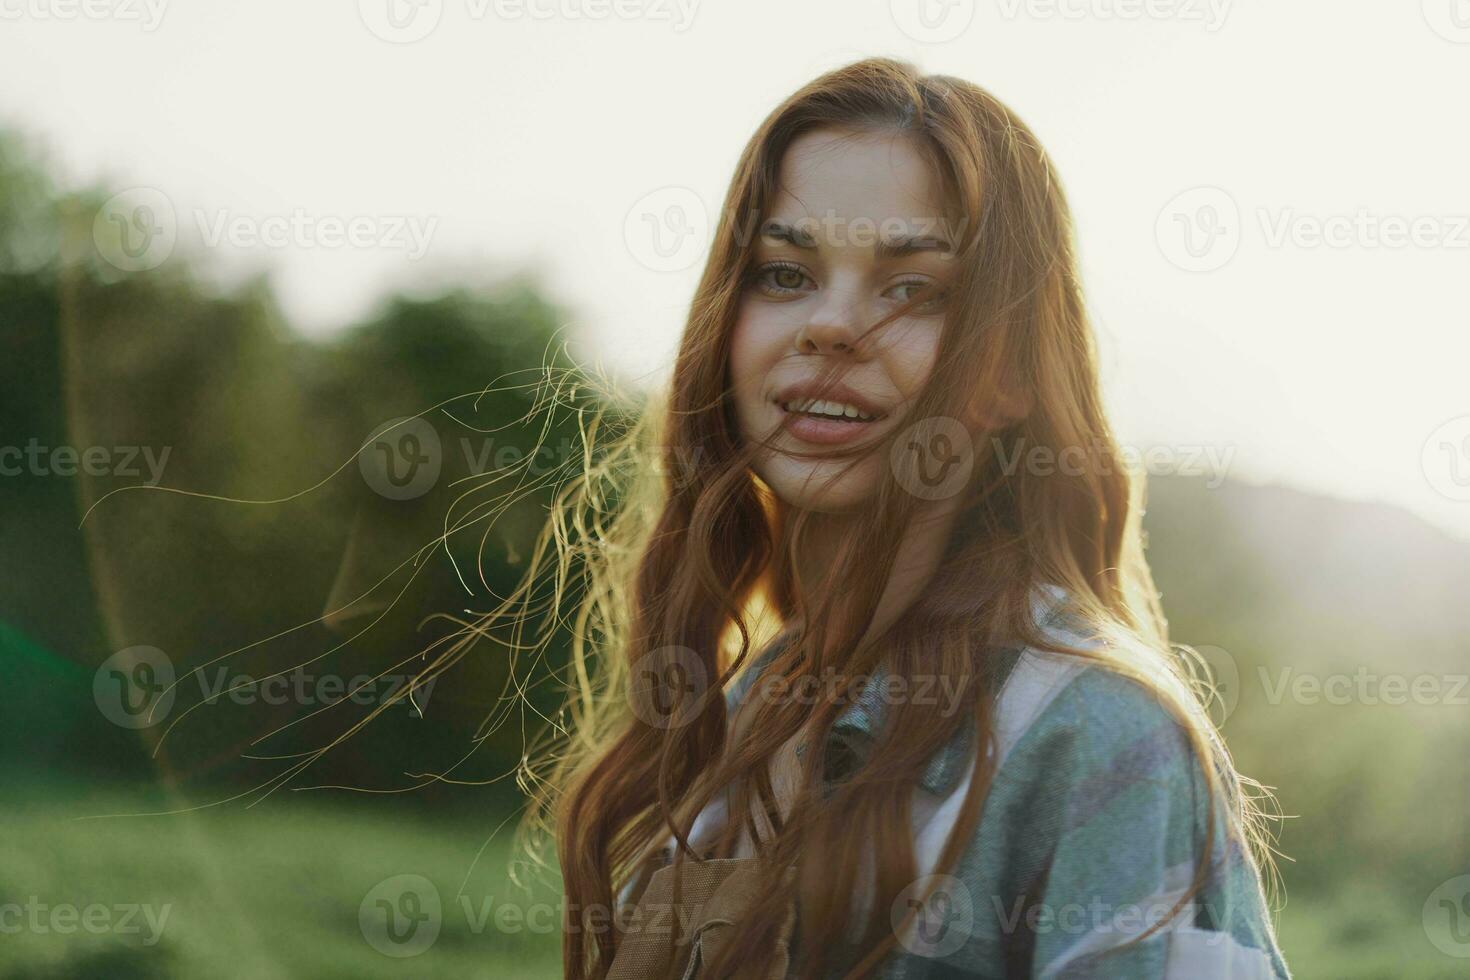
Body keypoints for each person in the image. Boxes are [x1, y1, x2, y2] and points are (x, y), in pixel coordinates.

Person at [512, 57, 1290, 979]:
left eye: (913, 287)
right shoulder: (746, 705)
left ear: (1009, 373)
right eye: (784, 273)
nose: (831, 326)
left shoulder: (1093, 735)